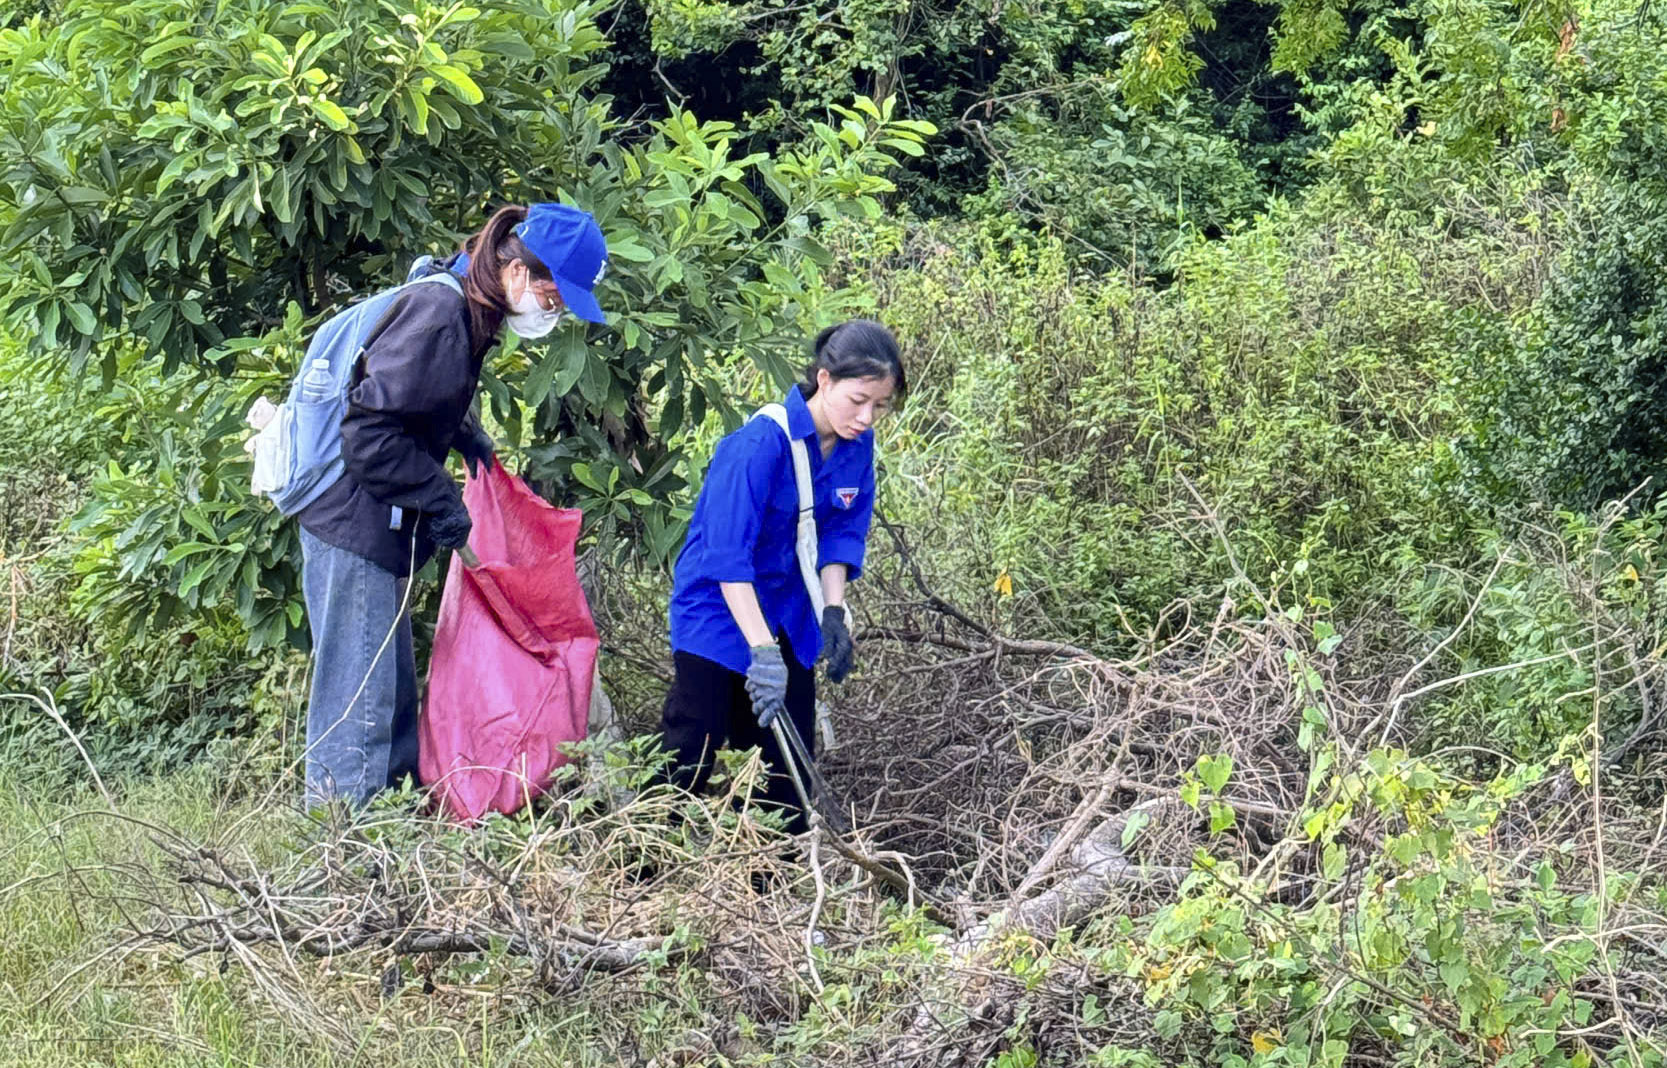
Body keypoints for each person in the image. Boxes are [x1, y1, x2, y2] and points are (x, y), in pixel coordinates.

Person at [298, 202, 608, 805]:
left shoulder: (466, 305)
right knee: (359, 708)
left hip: (377, 525)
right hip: (352, 524)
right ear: (518, 273)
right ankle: (342, 872)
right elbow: (369, 435)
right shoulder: (442, 312)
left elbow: (412, 394)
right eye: (554, 299)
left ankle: (391, 858)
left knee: (389, 700)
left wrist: (465, 434)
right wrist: (441, 499)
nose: (554, 313)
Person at [660, 320, 905, 832]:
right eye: (858, 400)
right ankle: (640, 869)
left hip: (789, 613)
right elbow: (727, 559)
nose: (866, 417)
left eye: (880, 406)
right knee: (690, 752)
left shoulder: (855, 447)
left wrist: (833, 611)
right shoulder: (757, 446)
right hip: (718, 615)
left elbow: (841, 532)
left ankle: (772, 890)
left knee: (785, 778)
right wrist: (760, 653)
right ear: (824, 379)